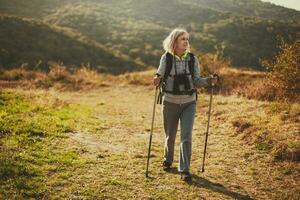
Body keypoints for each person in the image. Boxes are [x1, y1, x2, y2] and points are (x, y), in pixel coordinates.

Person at [153, 28, 217, 182]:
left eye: (187, 39)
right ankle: (168, 159)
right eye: (183, 39)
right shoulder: (166, 58)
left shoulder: (193, 59)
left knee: (186, 136)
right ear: (174, 41)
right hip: (170, 102)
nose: (186, 41)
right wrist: (156, 79)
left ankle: (184, 170)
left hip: (189, 102)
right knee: (170, 135)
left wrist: (209, 81)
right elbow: (159, 76)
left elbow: (197, 81)